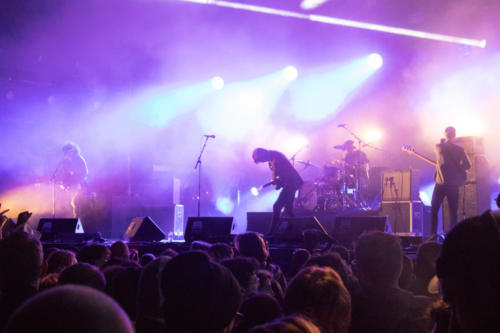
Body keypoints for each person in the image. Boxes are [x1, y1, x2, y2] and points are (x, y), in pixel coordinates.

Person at [429, 126, 471, 240]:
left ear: (445, 134)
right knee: (453, 212)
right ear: (455, 135)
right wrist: (458, 166)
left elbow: (440, 162)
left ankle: (432, 235)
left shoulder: (438, 147)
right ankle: (453, 237)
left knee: (434, 209)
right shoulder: (460, 149)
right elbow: (468, 166)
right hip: (453, 184)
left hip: (441, 184)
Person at [252, 148, 303, 235]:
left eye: (261, 160)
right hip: (291, 183)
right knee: (288, 210)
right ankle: (299, 233)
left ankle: (272, 233)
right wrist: (277, 182)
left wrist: (277, 182)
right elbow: (278, 177)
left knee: (277, 206)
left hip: (292, 183)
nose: (262, 162)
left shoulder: (276, 159)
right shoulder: (271, 159)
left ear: (263, 154)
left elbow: (284, 175)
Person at [53, 142, 88, 218]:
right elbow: (63, 173)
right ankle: (68, 219)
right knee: (65, 202)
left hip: (77, 184)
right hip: (69, 185)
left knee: (71, 202)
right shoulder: (65, 161)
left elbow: (85, 172)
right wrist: (61, 181)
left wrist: (76, 177)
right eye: (65, 152)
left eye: (68, 151)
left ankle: (74, 220)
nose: (66, 153)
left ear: (72, 150)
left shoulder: (79, 159)